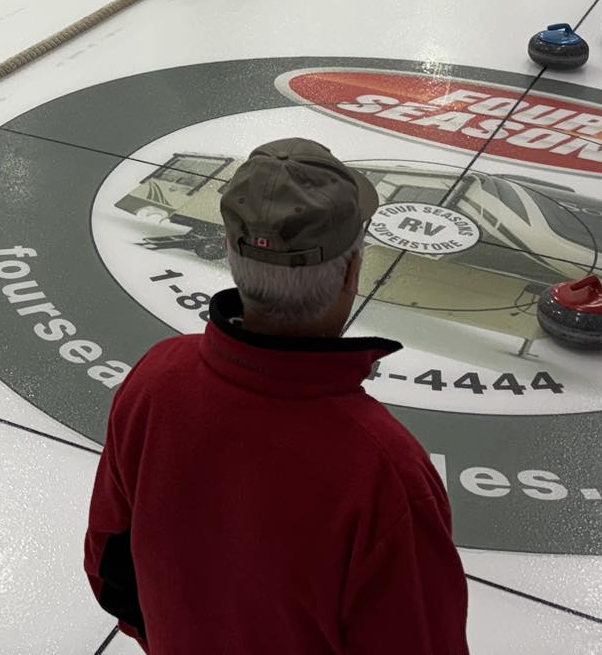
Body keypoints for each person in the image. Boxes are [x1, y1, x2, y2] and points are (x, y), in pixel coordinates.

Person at [84, 138, 467, 654]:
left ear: (229, 254)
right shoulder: (387, 474)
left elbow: (109, 559)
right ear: (352, 273)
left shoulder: (156, 380)